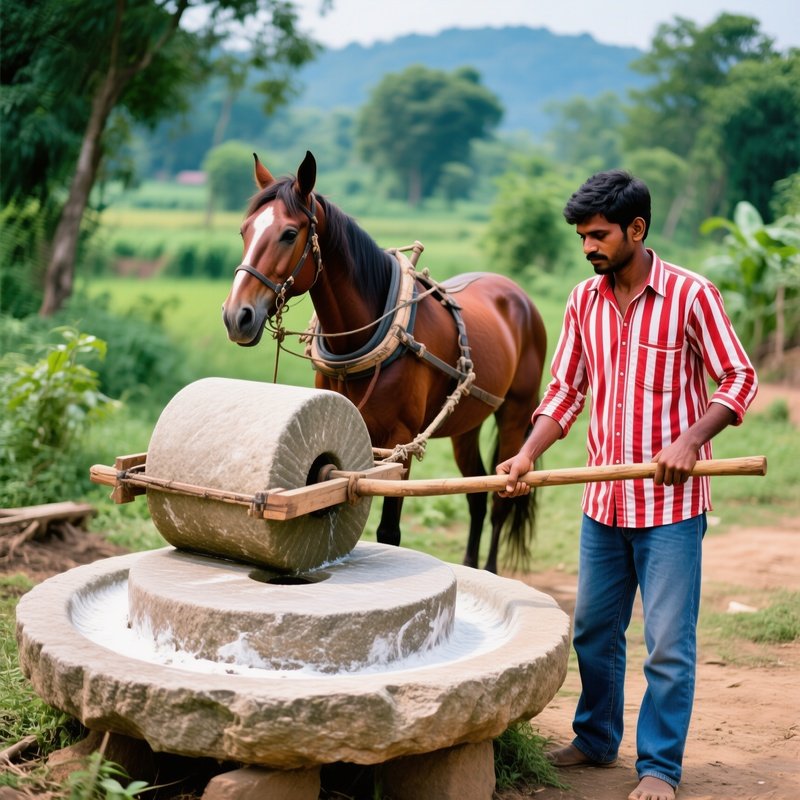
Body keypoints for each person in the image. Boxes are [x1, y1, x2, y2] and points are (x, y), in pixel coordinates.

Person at [497, 170, 758, 800]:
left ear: (636, 230)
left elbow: (738, 379)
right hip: (604, 505)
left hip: (670, 508)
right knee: (592, 629)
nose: (588, 247)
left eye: (598, 235)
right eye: (582, 236)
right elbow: (565, 390)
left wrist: (691, 440)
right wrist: (526, 454)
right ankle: (595, 737)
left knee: (667, 643)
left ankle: (660, 769)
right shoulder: (583, 302)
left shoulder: (692, 297)